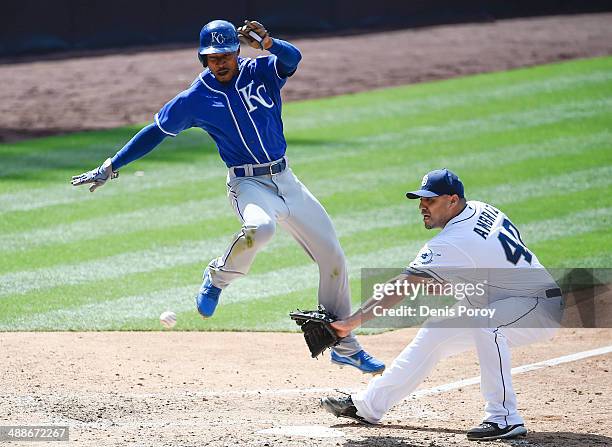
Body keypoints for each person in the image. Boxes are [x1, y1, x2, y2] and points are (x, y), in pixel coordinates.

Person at [70, 19, 384, 374]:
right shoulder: (195, 98)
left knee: (334, 258)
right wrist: (112, 165)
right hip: (248, 185)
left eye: (225, 54)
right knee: (261, 230)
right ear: (202, 58)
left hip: (287, 179)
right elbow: (154, 132)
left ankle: (344, 345)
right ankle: (218, 278)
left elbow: (293, 59)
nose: (219, 62)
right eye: (211, 56)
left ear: (237, 52)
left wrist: (270, 43)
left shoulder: (262, 70)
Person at [320, 168, 563, 440]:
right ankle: (368, 407)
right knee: (435, 332)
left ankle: (504, 418)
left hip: (537, 308)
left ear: (452, 200)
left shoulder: (452, 240)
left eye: (431, 200)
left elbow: (403, 285)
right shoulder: (483, 209)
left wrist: (351, 322)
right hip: (516, 300)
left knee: (486, 323)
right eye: (421, 200)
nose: (423, 206)